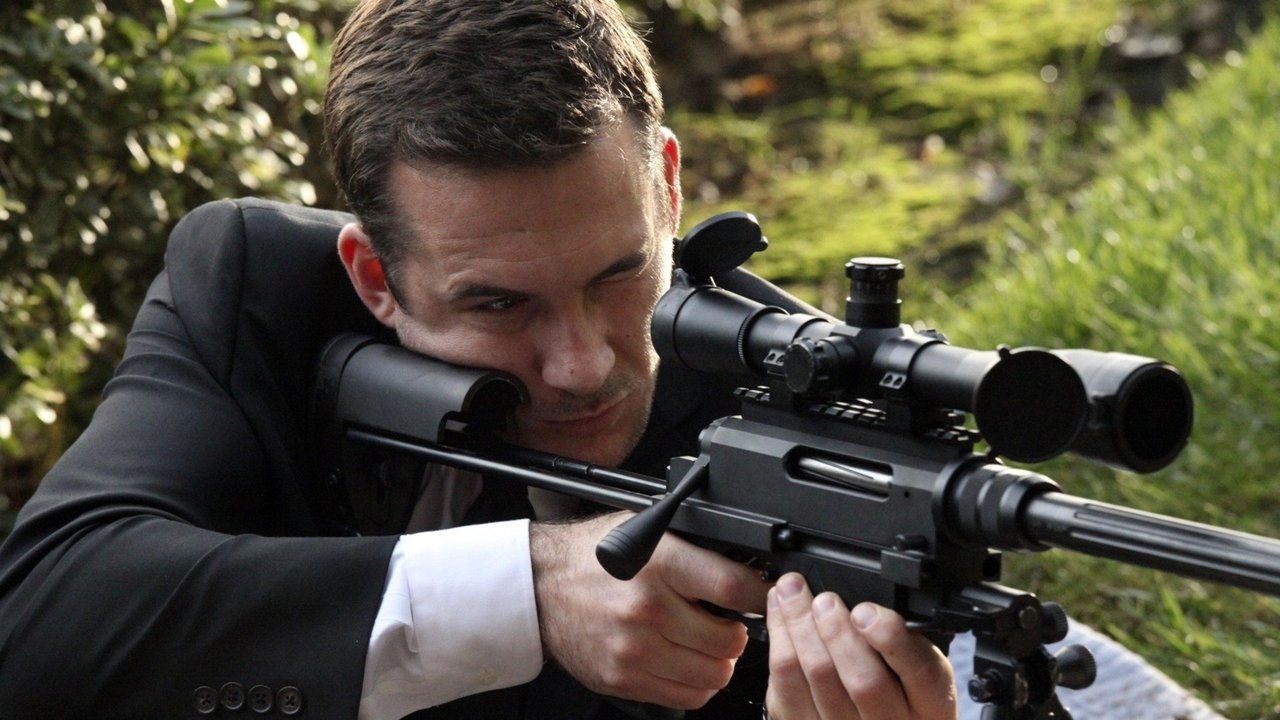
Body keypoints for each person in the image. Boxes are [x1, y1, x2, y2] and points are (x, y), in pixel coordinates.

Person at [0, 1, 958, 718]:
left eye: (620, 274)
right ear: (376, 277)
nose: (583, 366)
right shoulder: (258, 292)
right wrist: (526, 588)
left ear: (667, 188)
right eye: (500, 304)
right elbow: (42, 623)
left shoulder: (797, 424)